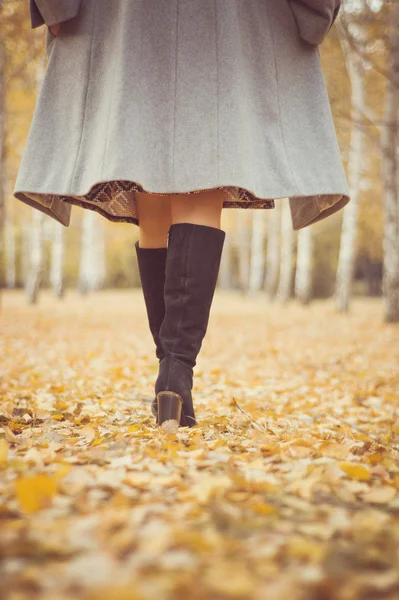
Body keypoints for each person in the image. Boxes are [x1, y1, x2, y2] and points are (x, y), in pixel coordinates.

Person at [14, 0, 350, 432]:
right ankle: (175, 374)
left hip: (127, 19)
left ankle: (169, 375)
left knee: (148, 169)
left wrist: (56, 6)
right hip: (231, 21)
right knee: (201, 167)